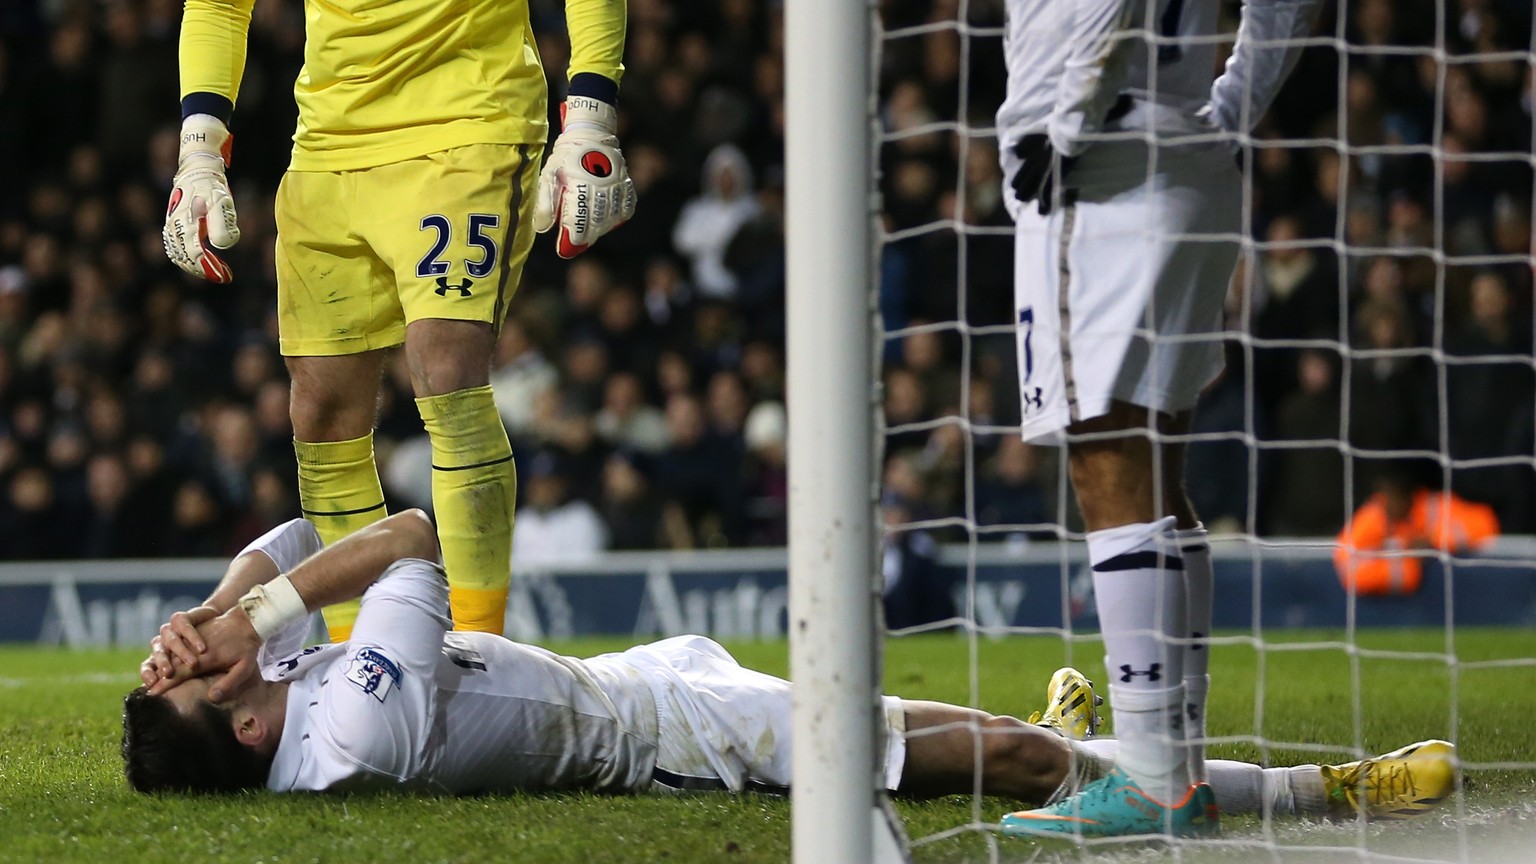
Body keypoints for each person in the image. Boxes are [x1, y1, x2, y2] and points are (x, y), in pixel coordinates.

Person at [124, 511, 1454, 826]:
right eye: (202, 675)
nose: (212, 660)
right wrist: (266, 613)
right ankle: (1320, 791)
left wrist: (218, 605)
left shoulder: (265, 704)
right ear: (241, 731)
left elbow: (295, 542)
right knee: (1019, 767)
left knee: (930, 725)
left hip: (635, 675)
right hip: (670, 734)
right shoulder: (354, 726)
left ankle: (1056, 730)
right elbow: (410, 536)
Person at [159, 0, 637, 640]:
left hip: (470, 119)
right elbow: (218, 5)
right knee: (321, 414)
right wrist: (200, 151)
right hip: (328, 147)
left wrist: (590, 116)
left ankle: (478, 647)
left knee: (445, 369)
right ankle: (358, 653)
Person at [994, 0, 1322, 837]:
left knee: (1107, 462)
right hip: (1188, 158)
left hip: (1095, 167)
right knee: (1157, 469)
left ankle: (1153, 783)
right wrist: (1235, 106)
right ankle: (1179, 768)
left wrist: (1066, 126)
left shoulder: (1079, 133)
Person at [1335, 465, 1500, 596]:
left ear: (1408, 495)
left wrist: (1432, 540)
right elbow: (1351, 571)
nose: (1386, 501)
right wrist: (1410, 561)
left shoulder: (1432, 506)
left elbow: (1485, 524)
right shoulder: (1372, 518)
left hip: (1453, 597)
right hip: (1390, 610)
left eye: (1392, 494)